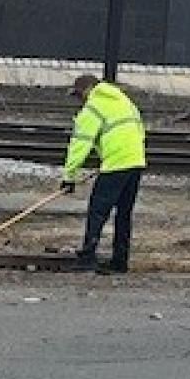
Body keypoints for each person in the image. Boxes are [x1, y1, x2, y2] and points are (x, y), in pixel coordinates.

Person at [61, 74, 147, 274]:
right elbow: (137, 131)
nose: (79, 100)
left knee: (97, 211)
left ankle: (87, 258)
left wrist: (69, 177)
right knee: (124, 213)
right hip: (136, 161)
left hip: (117, 163)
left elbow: (80, 143)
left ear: (88, 90)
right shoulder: (123, 100)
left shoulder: (93, 107)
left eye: (79, 95)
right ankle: (120, 261)